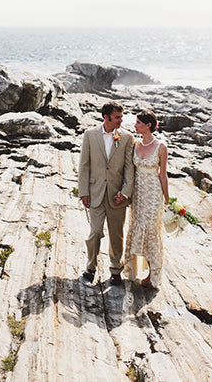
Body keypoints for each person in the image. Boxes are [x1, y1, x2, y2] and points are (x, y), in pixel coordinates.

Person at [77, 101, 135, 286]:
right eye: (117, 117)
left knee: (116, 234)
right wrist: (84, 192)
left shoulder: (126, 137)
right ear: (106, 117)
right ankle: (90, 267)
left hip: (117, 196)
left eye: (121, 116)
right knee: (95, 232)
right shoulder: (90, 135)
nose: (121, 120)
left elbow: (129, 168)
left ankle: (116, 270)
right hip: (95, 193)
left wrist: (125, 193)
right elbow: (84, 166)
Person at [123, 110, 168, 288]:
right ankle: (133, 269)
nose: (135, 126)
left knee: (151, 231)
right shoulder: (135, 144)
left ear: (148, 125)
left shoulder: (161, 147)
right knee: (136, 227)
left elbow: (163, 175)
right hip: (138, 194)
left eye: (138, 123)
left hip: (153, 194)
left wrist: (167, 199)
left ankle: (152, 273)